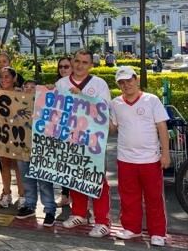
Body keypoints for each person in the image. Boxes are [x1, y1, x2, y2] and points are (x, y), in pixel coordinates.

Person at [110, 66, 171, 247]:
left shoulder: (151, 100)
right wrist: (99, 116)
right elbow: (113, 128)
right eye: (122, 82)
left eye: (129, 80)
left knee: (154, 197)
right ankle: (131, 228)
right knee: (128, 196)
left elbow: (162, 127)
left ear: (136, 80)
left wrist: (165, 154)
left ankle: (158, 232)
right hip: (125, 158)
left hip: (150, 159)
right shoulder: (115, 103)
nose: (126, 85)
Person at [59, 49, 113, 238]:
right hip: (70, 138)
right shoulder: (61, 83)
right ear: (72, 62)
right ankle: (79, 213)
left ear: (91, 65)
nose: (80, 65)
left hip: (93, 140)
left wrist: (83, 97)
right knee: (74, 176)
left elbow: (105, 110)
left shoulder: (99, 84)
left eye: (84, 62)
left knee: (97, 179)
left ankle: (103, 220)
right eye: (77, 61)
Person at [15, 77, 58, 226]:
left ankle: (50, 210)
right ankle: (30, 206)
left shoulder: (47, 105)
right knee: (27, 180)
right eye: (25, 87)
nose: (28, 89)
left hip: (41, 150)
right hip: (22, 149)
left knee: (45, 182)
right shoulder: (17, 104)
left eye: (33, 87)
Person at [0, 66, 25, 209]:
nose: (4, 79)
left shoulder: (22, 93)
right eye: (1, 77)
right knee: (4, 164)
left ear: (14, 78)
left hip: (19, 134)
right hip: (2, 134)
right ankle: (6, 194)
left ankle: (22, 196)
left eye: (7, 76)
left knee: (19, 166)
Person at [52, 56, 73, 207]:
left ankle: (80, 201)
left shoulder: (81, 84)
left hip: (78, 132)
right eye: (61, 67)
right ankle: (65, 195)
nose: (63, 69)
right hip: (61, 130)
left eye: (66, 66)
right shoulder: (57, 85)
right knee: (63, 165)